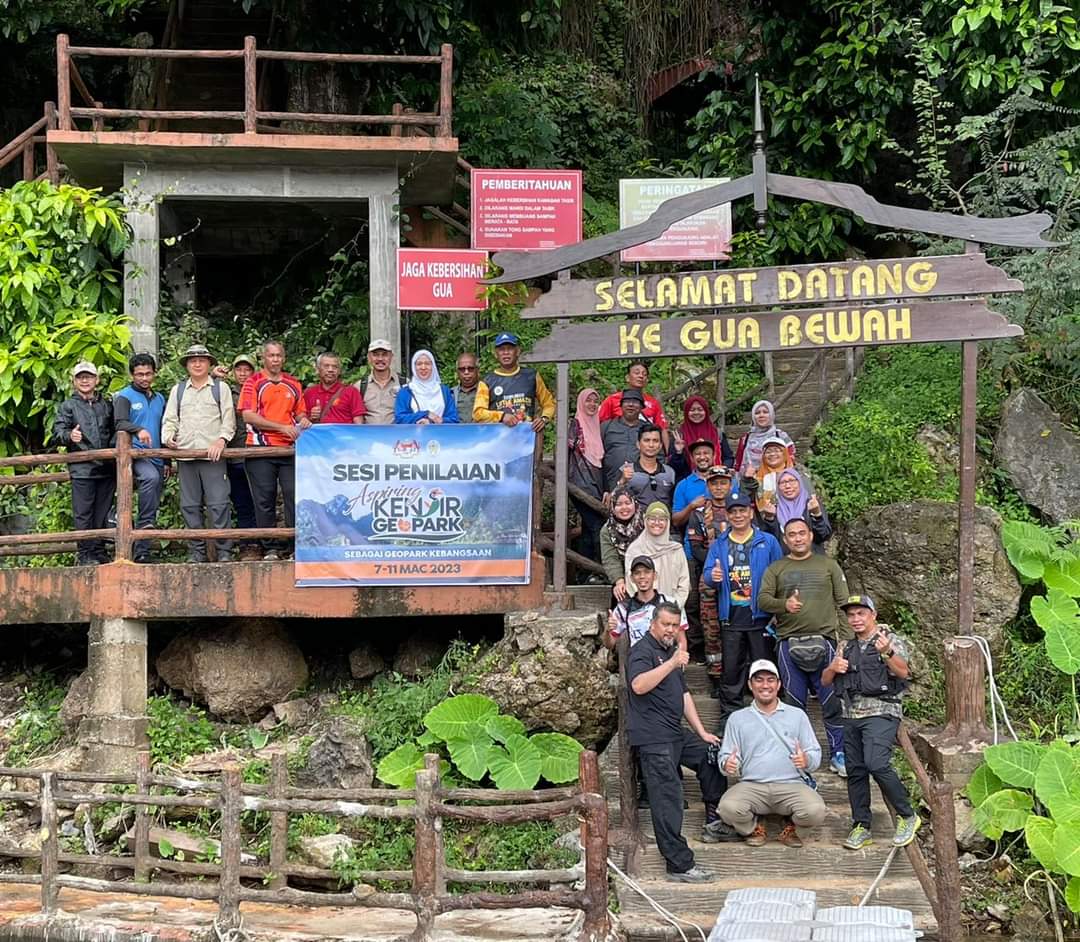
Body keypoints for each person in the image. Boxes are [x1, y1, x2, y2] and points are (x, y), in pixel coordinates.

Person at [628, 602, 730, 882]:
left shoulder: (670, 652)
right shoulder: (643, 651)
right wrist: (672, 663)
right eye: (666, 624)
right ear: (653, 624)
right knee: (669, 798)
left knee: (711, 754)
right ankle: (679, 865)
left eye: (675, 625)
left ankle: (714, 818)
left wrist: (701, 732)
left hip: (675, 732)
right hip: (653, 738)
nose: (671, 630)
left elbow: (684, 695)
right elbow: (638, 685)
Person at [822, 595, 920, 850]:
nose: (855, 619)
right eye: (851, 615)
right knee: (855, 771)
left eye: (861, 614)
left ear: (873, 615)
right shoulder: (845, 646)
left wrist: (886, 651)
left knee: (876, 762)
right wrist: (834, 667)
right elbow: (824, 681)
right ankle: (862, 825)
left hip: (881, 710)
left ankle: (908, 815)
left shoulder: (889, 640)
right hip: (851, 713)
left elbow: (903, 672)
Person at [757, 518, 851, 776]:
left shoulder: (828, 565)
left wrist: (844, 643)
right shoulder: (776, 569)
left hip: (825, 642)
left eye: (802, 533)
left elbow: (844, 605)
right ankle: (796, 758)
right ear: (785, 540)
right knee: (793, 704)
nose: (797, 538)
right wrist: (783, 605)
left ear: (810, 535)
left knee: (831, 701)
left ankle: (838, 753)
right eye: (791, 535)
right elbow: (763, 599)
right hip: (788, 643)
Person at [712, 659, 827, 847]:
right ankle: (753, 827)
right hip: (752, 785)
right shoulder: (737, 718)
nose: (765, 685)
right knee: (727, 808)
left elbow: (814, 753)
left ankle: (792, 829)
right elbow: (726, 756)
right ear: (750, 685)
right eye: (758, 680)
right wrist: (728, 764)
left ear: (779, 684)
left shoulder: (797, 715)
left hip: (791, 785)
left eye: (770, 680)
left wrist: (806, 760)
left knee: (816, 810)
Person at [702, 494, 783, 715]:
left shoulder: (767, 541)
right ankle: (730, 716)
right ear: (727, 515)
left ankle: (770, 712)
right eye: (733, 512)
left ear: (750, 512)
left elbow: (780, 574)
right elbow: (708, 573)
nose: (738, 515)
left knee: (765, 668)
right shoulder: (719, 544)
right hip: (731, 615)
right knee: (731, 671)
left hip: (761, 616)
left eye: (742, 510)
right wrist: (713, 576)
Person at [162, 344, 236, 563]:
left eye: (202, 360)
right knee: (189, 506)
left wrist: (221, 440)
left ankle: (224, 551)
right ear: (186, 365)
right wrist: (168, 438)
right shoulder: (179, 390)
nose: (197, 363)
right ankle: (197, 552)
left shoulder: (220, 388)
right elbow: (170, 419)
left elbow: (228, 419)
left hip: (212, 456)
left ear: (209, 363)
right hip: (186, 455)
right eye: (192, 360)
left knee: (219, 504)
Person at [238, 340, 310, 560]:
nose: (275, 359)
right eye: (271, 355)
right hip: (261, 448)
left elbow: (299, 413)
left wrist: (304, 420)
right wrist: (281, 428)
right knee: (264, 498)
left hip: (288, 449)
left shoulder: (294, 383)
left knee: (293, 496)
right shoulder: (253, 382)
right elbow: (248, 415)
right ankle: (270, 547)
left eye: (279, 355)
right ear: (264, 358)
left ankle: (294, 545)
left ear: (284, 358)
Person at [53, 361, 115, 566]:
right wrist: (70, 435)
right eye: (81, 377)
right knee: (83, 513)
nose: (85, 380)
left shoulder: (106, 404)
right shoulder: (68, 406)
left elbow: (115, 431)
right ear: (74, 381)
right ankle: (85, 553)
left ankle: (98, 551)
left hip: (107, 468)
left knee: (102, 511)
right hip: (82, 468)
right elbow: (57, 432)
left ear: (97, 380)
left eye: (89, 376)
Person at [113, 353, 167, 564]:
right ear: (132, 375)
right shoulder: (124, 396)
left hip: (156, 455)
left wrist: (168, 460)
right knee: (150, 479)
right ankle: (143, 530)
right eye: (139, 374)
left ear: (154, 373)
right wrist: (138, 430)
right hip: (136, 454)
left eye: (148, 373)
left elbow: (163, 427)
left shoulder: (159, 398)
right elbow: (119, 423)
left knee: (153, 500)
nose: (144, 378)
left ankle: (142, 551)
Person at [670, 438, 718, 659]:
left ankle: (718, 650)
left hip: (721, 551)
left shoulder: (725, 480)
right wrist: (691, 506)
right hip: (690, 552)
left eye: (706, 453)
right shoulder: (684, 485)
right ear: (693, 457)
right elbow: (676, 519)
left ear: (713, 454)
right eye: (698, 454)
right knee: (691, 601)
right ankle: (697, 649)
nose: (702, 457)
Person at [472, 332, 555, 431]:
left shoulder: (531, 376)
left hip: (527, 438)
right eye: (502, 349)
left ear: (518, 351)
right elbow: (478, 413)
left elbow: (549, 403)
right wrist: (502, 417)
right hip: (497, 439)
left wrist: (544, 418)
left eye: (510, 349)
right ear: (495, 353)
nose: (506, 353)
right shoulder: (487, 381)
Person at [220, 353, 259, 560]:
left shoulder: (261, 389)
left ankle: (267, 543)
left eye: (247, 370)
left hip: (259, 454)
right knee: (242, 501)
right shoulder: (225, 391)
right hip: (235, 456)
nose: (243, 374)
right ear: (233, 372)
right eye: (239, 370)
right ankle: (248, 544)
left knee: (261, 500)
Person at [604, 555, 688, 651]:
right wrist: (607, 630)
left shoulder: (670, 603)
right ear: (631, 578)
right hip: (638, 661)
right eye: (637, 573)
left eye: (647, 572)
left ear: (654, 575)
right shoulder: (623, 608)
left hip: (665, 661)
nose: (642, 576)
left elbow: (681, 640)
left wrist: (678, 663)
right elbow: (609, 645)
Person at [625, 502, 690, 607]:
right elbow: (631, 583)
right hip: (643, 611)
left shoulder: (676, 550)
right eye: (652, 518)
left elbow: (684, 583)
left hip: (673, 612)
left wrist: (674, 607)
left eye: (662, 519)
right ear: (646, 521)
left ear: (667, 522)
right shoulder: (635, 550)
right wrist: (648, 608)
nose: (657, 523)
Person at [568, 388, 605, 570]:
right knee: (597, 525)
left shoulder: (598, 426)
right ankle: (598, 569)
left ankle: (586, 572)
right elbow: (566, 452)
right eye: (588, 401)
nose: (591, 405)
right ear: (581, 403)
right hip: (579, 482)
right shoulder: (575, 424)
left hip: (596, 483)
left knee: (589, 528)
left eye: (595, 401)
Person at [758, 468, 832, 553]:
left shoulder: (812, 505)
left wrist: (817, 515)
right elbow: (769, 542)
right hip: (785, 562)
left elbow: (823, 536)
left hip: (812, 560)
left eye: (792, 481)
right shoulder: (773, 509)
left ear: (800, 483)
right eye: (783, 483)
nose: (788, 486)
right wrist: (769, 519)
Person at [599, 487, 644, 603]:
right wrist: (619, 581)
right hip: (623, 574)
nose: (624, 508)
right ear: (612, 508)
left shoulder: (646, 524)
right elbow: (610, 559)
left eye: (628, 503)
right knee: (620, 594)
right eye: (618, 504)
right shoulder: (607, 530)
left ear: (635, 504)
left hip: (648, 573)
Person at [597, 361, 669, 433]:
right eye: (637, 373)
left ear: (647, 380)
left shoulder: (653, 403)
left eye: (644, 374)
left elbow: (662, 428)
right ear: (627, 378)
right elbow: (598, 423)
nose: (641, 376)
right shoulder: (612, 400)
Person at [671, 396, 734, 476]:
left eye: (700, 410)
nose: (696, 412)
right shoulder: (679, 435)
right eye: (692, 410)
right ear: (686, 412)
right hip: (689, 482)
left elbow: (728, 457)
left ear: (706, 411)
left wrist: (721, 471)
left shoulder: (717, 433)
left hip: (716, 480)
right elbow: (673, 467)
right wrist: (678, 452)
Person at [600, 389, 647, 492]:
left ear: (641, 407)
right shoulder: (606, 427)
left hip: (642, 486)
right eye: (626, 401)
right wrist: (604, 490)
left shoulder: (648, 429)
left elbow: (659, 457)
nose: (630, 405)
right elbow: (598, 458)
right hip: (611, 482)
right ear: (621, 405)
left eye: (635, 402)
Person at [395, 350, 460, 424]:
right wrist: (426, 414)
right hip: (412, 435)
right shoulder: (405, 391)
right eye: (419, 364)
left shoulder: (444, 391)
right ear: (414, 367)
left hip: (440, 434)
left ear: (433, 366)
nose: (423, 367)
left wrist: (435, 421)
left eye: (427, 363)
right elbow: (400, 419)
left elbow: (454, 419)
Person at [303, 352, 368, 425]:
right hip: (318, 436)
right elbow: (302, 422)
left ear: (339, 371)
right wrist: (311, 418)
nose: (330, 370)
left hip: (344, 436)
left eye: (335, 367)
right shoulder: (309, 393)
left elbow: (358, 422)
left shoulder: (351, 391)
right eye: (326, 366)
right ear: (317, 369)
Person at [734, 400, 795, 475]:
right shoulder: (746, 438)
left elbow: (790, 459)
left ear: (771, 415)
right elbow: (738, 463)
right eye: (757, 413)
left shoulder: (781, 435)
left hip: (776, 480)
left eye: (765, 412)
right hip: (749, 480)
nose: (761, 415)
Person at [622, 424, 676, 509]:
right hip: (636, 521)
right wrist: (622, 481)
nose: (651, 445)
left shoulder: (669, 472)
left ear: (660, 445)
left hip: (663, 520)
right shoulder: (626, 470)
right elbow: (613, 500)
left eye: (655, 441)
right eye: (646, 440)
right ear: (638, 444)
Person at [355, 339, 401, 425]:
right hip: (369, 437)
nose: (380, 359)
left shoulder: (404, 384)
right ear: (369, 357)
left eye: (384, 355)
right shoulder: (360, 386)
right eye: (375, 355)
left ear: (391, 357)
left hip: (396, 436)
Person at [748, 436, 796, 507]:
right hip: (764, 516)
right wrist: (747, 480)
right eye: (768, 452)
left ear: (784, 453)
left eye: (776, 450)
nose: (772, 454)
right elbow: (746, 499)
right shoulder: (756, 478)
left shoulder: (797, 475)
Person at [452, 352, 480, 422]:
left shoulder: (487, 391)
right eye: (462, 369)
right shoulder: (451, 394)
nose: (466, 372)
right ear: (457, 372)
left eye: (470, 368)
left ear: (477, 370)